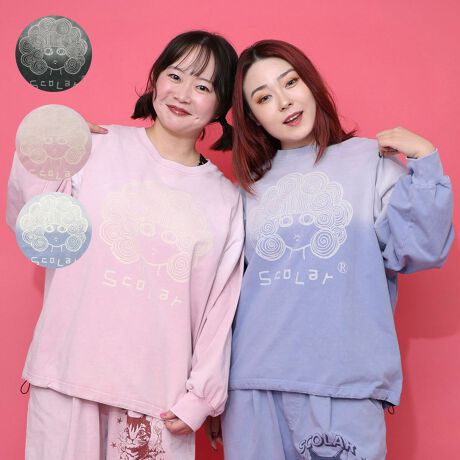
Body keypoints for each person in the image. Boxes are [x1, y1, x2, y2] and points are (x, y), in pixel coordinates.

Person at [7, 30, 244, 460]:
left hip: (156, 401)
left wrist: (201, 397)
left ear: (221, 106)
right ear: (156, 78)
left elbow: (220, 308)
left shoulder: (225, 199)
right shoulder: (95, 147)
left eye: (203, 86)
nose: (183, 94)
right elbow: (34, 223)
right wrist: (52, 138)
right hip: (67, 376)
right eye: (175, 76)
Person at [211, 40, 454, 460]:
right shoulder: (248, 187)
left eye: (290, 82)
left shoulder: (370, 162)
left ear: (311, 84)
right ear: (252, 117)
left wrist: (426, 161)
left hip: (345, 384)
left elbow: (420, 250)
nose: (284, 101)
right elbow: (226, 298)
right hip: (253, 385)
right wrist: (215, 388)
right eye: (264, 98)